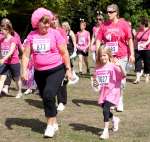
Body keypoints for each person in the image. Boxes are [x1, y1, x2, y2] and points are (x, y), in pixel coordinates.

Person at [22, 8, 72, 138]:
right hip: (39, 72)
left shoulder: (55, 34)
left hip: (56, 69)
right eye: (44, 22)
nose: (47, 25)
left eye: (48, 22)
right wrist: (24, 71)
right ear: (36, 23)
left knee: (49, 94)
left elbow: (64, 52)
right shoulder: (32, 36)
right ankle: (53, 120)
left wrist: (68, 69)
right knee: (45, 97)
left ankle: (49, 126)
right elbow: (26, 55)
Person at [96, 4, 135, 112]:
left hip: (122, 56)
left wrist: (132, 54)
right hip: (109, 58)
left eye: (111, 12)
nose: (108, 14)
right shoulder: (104, 25)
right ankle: (113, 100)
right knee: (111, 80)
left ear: (116, 12)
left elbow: (130, 39)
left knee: (121, 79)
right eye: (107, 12)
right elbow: (98, 39)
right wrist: (99, 52)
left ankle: (120, 100)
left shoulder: (124, 24)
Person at [92, 46, 125, 139]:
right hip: (103, 92)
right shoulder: (98, 68)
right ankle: (115, 119)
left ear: (109, 55)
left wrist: (120, 66)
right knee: (105, 109)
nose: (103, 58)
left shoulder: (113, 66)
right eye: (101, 56)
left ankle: (105, 131)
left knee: (105, 109)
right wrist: (95, 84)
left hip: (113, 91)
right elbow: (95, 80)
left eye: (104, 55)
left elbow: (123, 76)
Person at [0, 18, 22, 98]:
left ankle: (19, 91)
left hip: (14, 62)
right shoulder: (1, 39)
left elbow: (11, 51)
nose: (1, 32)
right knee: (2, 78)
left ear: (8, 30)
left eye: (2, 30)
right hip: (5, 63)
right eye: (1, 30)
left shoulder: (13, 39)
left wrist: (3, 58)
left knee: (17, 78)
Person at [133, 16, 150, 83]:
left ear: (143, 23)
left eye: (139, 22)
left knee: (147, 63)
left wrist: (145, 44)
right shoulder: (138, 30)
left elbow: (149, 40)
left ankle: (147, 76)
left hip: (147, 49)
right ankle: (137, 78)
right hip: (138, 49)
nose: (138, 24)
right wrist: (134, 48)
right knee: (137, 63)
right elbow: (136, 40)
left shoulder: (149, 30)